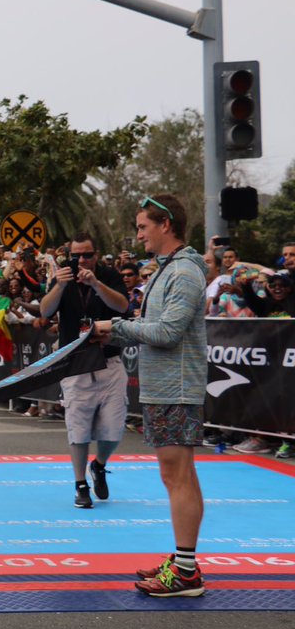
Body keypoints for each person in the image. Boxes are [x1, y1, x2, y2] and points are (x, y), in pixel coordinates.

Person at [94, 194, 207, 598]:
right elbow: (156, 324)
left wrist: (117, 327)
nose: (138, 234)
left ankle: (187, 572)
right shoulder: (169, 269)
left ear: (166, 224)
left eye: (143, 226)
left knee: (177, 476)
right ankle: (183, 562)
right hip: (167, 387)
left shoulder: (185, 272)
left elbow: (167, 332)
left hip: (176, 388)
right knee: (178, 475)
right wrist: (125, 325)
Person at [39, 233, 130, 509]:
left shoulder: (108, 275)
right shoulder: (63, 276)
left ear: (96, 254)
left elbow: (123, 307)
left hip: (109, 360)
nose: (81, 260)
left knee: (113, 430)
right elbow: (45, 310)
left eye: (87, 255)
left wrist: (96, 283)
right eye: (76, 255)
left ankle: (99, 465)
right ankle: (80, 485)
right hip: (76, 363)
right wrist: (60, 285)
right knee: (78, 429)